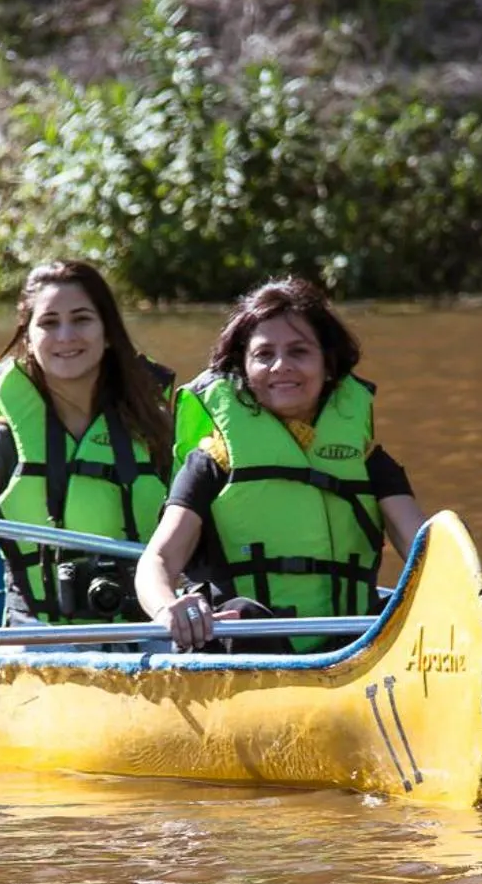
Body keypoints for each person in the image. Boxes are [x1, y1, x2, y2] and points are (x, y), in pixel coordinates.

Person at [135, 277, 426, 652]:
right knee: (245, 613)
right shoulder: (212, 461)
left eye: (299, 352)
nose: (280, 366)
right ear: (242, 367)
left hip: (350, 647)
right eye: (263, 354)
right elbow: (157, 560)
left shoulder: (369, 462)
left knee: (395, 615)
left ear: (329, 364)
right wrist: (167, 609)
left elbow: (425, 550)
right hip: (244, 646)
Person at [0, 260, 173, 625]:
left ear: (108, 333)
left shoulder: (157, 428)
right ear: (28, 338)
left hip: (148, 630)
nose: (65, 336)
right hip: (40, 640)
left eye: (82, 319)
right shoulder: (1, 441)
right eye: (49, 323)